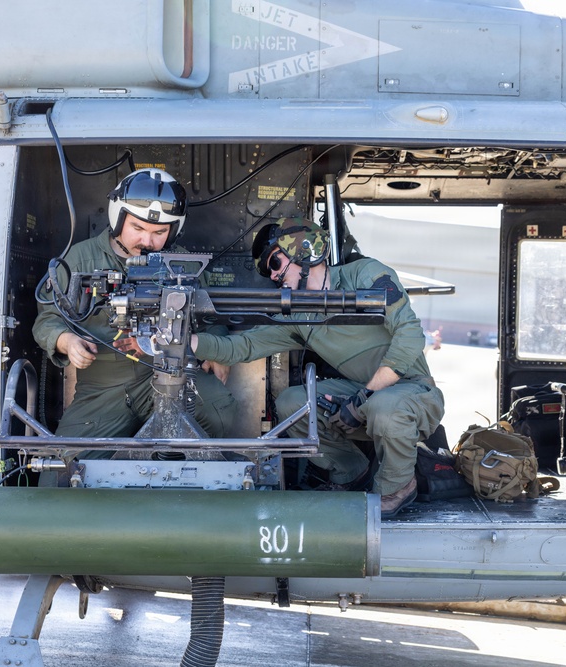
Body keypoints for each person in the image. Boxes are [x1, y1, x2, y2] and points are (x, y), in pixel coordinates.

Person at [192, 219, 445, 518]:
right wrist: (188, 341)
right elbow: (243, 347)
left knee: (385, 407)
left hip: (413, 391)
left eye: (275, 262)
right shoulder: (300, 315)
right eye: (267, 271)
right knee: (293, 404)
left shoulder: (366, 274)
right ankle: (351, 474)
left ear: (304, 251)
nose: (273, 275)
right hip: (364, 397)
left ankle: (396, 487)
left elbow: (411, 335)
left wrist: (363, 397)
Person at [33, 168, 235, 445]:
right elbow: (47, 320)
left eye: (159, 232)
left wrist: (219, 350)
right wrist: (66, 341)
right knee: (67, 462)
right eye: (137, 228)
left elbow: (214, 316)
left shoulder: (184, 264)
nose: (147, 241)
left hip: (174, 372)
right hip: (102, 387)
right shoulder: (78, 259)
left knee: (220, 414)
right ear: (118, 219)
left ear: (173, 230)